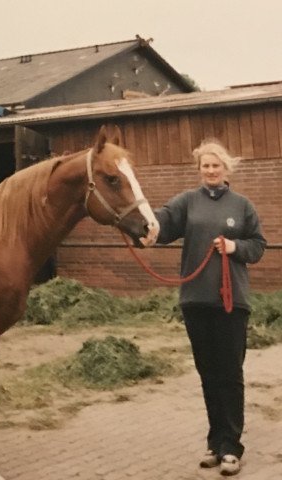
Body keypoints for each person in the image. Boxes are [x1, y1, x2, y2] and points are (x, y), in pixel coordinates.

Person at [154, 138, 266, 476]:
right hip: (196, 299)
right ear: (199, 169)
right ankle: (215, 442)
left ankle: (231, 447)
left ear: (226, 168)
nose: (211, 170)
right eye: (205, 165)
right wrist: (139, 220)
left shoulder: (242, 205)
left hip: (231, 302)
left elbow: (259, 246)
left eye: (216, 165)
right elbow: (160, 225)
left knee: (229, 374)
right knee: (208, 375)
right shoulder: (187, 201)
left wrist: (234, 246)